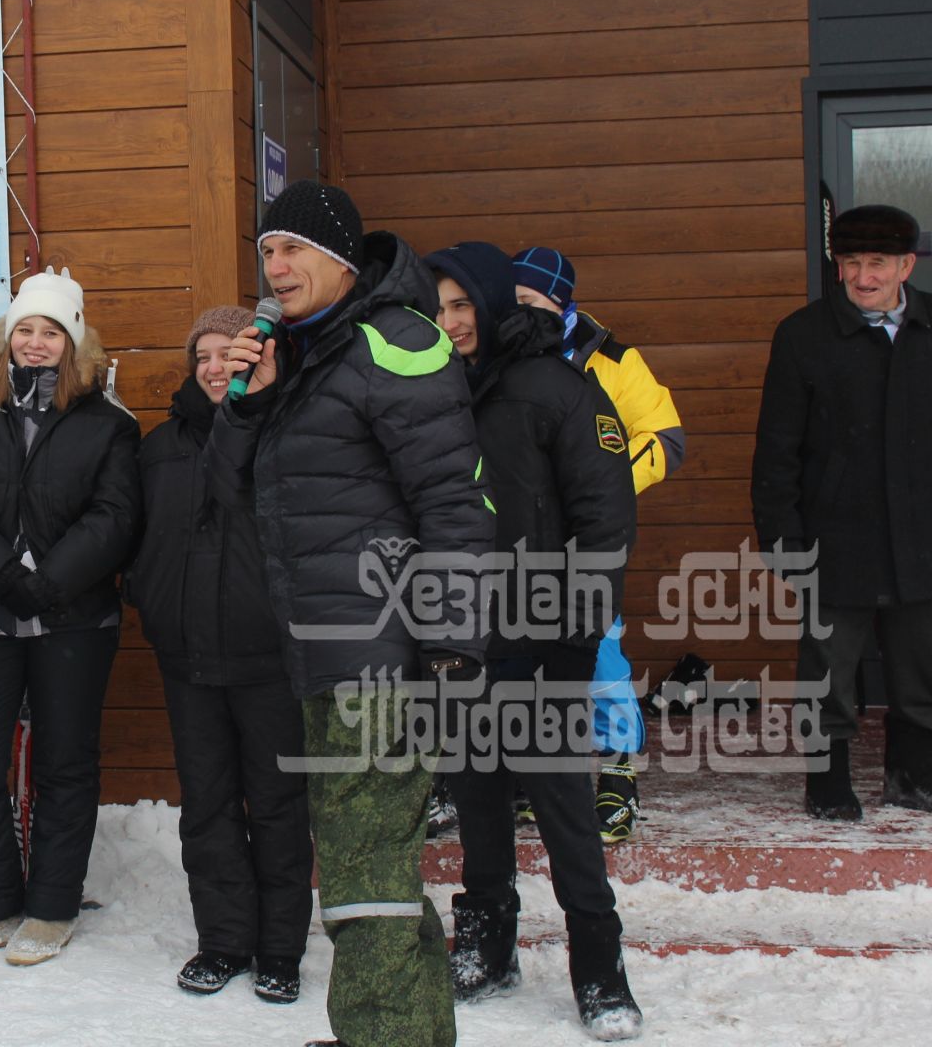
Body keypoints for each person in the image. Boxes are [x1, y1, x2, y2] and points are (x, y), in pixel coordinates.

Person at [203, 180, 492, 1047]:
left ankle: (381, 1036)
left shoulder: (393, 344)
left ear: (339, 257)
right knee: (377, 871)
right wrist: (250, 400)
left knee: (365, 877)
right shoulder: (304, 352)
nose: (276, 267)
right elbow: (229, 487)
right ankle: (404, 1033)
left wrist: (449, 640)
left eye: (292, 250)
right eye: (266, 252)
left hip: (383, 657)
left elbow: (456, 500)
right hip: (329, 653)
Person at [427, 242, 642, 1041]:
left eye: (462, 305)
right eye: (439, 307)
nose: (451, 322)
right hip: (465, 641)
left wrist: (578, 640)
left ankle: (600, 967)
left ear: (492, 304)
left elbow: (605, 521)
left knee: (562, 812)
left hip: (545, 641)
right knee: (479, 800)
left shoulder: (558, 389)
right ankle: (487, 946)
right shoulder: (439, 391)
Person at [0, 270, 140, 966]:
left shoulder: (108, 426)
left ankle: (50, 907)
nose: (37, 343)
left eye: (52, 332)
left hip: (73, 618)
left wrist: (52, 581)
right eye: (25, 330)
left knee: (65, 765)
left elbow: (116, 515)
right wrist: (5, 575)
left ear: (74, 345)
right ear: (4, 339)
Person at [124, 305, 312, 1002]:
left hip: (269, 662)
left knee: (277, 805)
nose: (212, 366)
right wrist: (148, 596)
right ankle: (224, 941)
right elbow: (139, 536)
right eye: (201, 354)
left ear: (253, 360)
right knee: (206, 807)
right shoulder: (159, 446)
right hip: (188, 660)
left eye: (225, 353)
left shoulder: (286, 435)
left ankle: (280, 950)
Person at [753, 203, 932, 820]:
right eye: (850, 263)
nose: (863, 276)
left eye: (877, 263)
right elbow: (776, 451)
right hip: (834, 539)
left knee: (921, 670)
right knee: (828, 671)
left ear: (906, 265)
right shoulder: (802, 336)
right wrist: (782, 540)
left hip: (923, 539)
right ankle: (827, 783)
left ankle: (914, 777)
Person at [513, 245, 686, 844]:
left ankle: (616, 772)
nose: (517, 312)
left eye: (529, 301)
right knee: (520, 656)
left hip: (586, 531)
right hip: (515, 533)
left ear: (560, 301)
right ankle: (540, 776)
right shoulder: (492, 355)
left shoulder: (609, 357)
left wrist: (602, 485)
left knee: (598, 649)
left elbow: (664, 437)